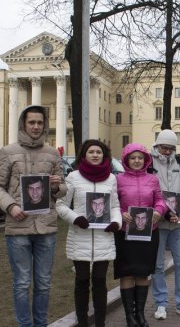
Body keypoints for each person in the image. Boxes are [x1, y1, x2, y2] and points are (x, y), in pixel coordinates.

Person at [0, 105, 67, 327]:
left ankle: (41, 324)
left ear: (45, 125)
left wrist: (56, 186)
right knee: (22, 283)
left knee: (43, 283)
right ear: (23, 124)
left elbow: (62, 190)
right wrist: (11, 206)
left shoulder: (53, 153)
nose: (35, 126)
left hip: (46, 228)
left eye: (40, 122)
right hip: (18, 228)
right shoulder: (8, 151)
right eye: (31, 122)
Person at [56, 139, 121, 327]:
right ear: (84, 155)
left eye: (98, 152)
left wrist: (116, 222)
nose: (95, 155)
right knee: (82, 281)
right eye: (91, 152)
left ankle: (100, 323)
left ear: (104, 156)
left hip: (103, 238)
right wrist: (75, 218)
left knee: (100, 281)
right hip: (80, 237)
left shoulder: (111, 178)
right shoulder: (74, 177)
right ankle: (82, 322)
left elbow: (115, 206)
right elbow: (60, 205)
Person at [150, 130, 180, 321]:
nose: (168, 151)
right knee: (158, 265)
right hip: (158, 221)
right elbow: (150, 191)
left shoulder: (179, 162)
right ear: (157, 146)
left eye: (171, 148)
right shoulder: (149, 163)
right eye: (164, 147)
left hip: (177, 222)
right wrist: (164, 213)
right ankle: (160, 304)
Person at [115, 143, 166, 327]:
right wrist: (121, 214)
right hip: (125, 233)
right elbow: (113, 203)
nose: (137, 161)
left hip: (148, 232)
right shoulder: (118, 179)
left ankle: (141, 314)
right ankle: (130, 316)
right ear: (126, 160)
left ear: (146, 160)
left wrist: (159, 210)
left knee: (143, 274)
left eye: (140, 158)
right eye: (133, 158)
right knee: (127, 273)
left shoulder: (152, 179)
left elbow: (160, 199)